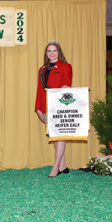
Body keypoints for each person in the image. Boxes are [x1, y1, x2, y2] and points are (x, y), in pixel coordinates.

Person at [35, 40, 73, 177]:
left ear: (59, 52)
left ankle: (55, 167)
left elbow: (67, 83)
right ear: (46, 53)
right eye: (49, 51)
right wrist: (38, 108)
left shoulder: (66, 66)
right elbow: (40, 89)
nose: (52, 53)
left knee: (59, 135)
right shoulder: (42, 69)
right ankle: (63, 166)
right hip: (45, 105)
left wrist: (65, 87)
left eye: (54, 51)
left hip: (59, 105)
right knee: (54, 136)